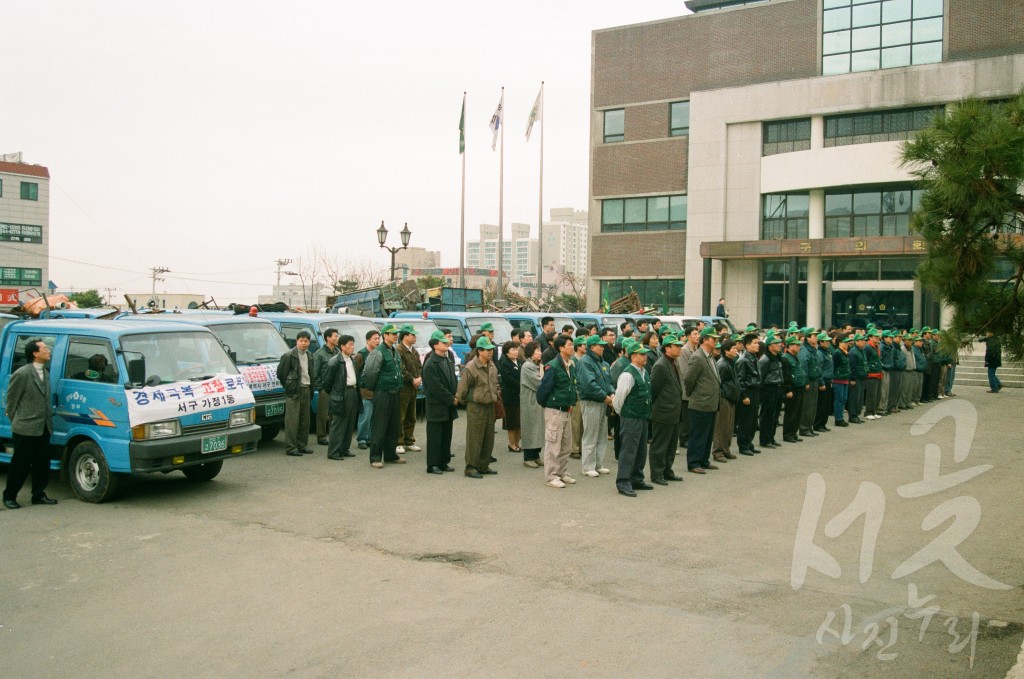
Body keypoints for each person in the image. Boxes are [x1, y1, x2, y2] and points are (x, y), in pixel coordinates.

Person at [3, 339, 57, 509]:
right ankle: (10, 496)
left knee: (42, 464)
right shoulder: (22, 373)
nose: (48, 350)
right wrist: (19, 421)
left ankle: (38, 494)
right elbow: (11, 402)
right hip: (25, 428)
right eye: (44, 348)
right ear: (35, 353)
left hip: (43, 427)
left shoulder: (45, 373)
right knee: (20, 464)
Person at [361, 324, 406, 469]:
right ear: (385, 336)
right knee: (379, 425)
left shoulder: (395, 351)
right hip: (383, 393)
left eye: (396, 334)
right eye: (392, 334)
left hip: (395, 392)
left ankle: (390, 454)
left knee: (393, 425)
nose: (395, 336)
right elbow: (369, 374)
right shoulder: (378, 352)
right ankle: (375, 457)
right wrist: (377, 389)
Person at [613, 343, 653, 497]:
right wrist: (623, 414)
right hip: (631, 417)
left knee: (641, 450)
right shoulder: (628, 375)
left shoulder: (644, 372)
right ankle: (623, 481)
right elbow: (619, 399)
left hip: (642, 416)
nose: (645, 357)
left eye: (645, 354)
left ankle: (637, 478)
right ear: (633, 356)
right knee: (628, 450)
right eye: (641, 354)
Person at [455, 336, 499, 478]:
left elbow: (495, 383)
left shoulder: (492, 365)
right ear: (479, 351)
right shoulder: (471, 367)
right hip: (476, 406)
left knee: (488, 437)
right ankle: (471, 467)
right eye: (487, 350)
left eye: (491, 349)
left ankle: (483, 465)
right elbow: (462, 389)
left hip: (490, 405)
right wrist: (465, 401)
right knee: (475, 438)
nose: (490, 352)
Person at [540, 335, 578, 488]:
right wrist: (548, 405)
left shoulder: (571, 365)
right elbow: (543, 389)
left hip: (567, 409)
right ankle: (551, 476)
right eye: (570, 344)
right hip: (555, 410)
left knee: (566, 445)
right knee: (553, 444)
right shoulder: (553, 366)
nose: (572, 347)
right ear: (561, 348)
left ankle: (562, 472)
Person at [576, 334, 614, 478]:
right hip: (592, 401)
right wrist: (605, 397)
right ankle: (587, 466)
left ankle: (598, 464)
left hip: (603, 401)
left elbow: (608, 381)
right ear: (592, 347)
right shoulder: (585, 362)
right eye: (600, 345)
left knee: (601, 435)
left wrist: (612, 393)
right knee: (591, 434)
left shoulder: (603, 363)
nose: (602, 347)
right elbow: (589, 384)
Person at [684, 327, 722, 474]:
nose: (716, 341)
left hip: (711, 402)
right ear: (705, 340)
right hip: (700, 402)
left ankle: (704, 460)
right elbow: (688, 379)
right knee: (698, 435)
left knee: (707, 435)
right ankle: (694, 462)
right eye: (713, 339)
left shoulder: (710, 356)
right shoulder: (697, 357)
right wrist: (694, 394)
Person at [649, 334, 685, 483]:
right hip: (663, 411)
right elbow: (654, 390)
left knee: (671, 444)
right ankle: (657, 474)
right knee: (660, 445)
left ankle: (667, 470)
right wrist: (661, 405)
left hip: (674, 411)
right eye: (676, 346)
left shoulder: (674, 363)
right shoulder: (660, 365)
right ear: (667, 348)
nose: (679, 349)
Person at [422, 331, 458, 474]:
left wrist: (456, 394)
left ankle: (444, 461)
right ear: (435, 345)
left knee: (446, 435)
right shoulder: (431, 363)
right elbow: (435, 387)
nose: (447, 344)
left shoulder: (447, 359)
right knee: (435, 436)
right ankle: (432, 464)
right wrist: (451, 399)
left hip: (448, 405)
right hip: (437, 405)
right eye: (443, 342)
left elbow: (453, 379)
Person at [277, 330, 316, 456]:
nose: (303, 344)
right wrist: (290, 385)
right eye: (301, 341)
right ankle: (291, 447)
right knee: (292, 420)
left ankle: (302, 445)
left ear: (309, 342)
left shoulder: (310, 355)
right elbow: (281, 374)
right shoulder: (289, 355)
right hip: (294, 390)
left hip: (306, 388)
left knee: (305, 420)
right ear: (296, 341)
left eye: (306, 341)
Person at [322, 334, 361, 460]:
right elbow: (327, 382)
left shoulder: (352, 360)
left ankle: (345, 448)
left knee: (350, 422)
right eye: (350, 345)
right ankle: (333, 451)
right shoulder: (334, 361)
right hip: (340, 394)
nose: (352, 347)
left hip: (353, 392)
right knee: (338, 423)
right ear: (342, 346)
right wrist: (335, 394)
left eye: (353, 344)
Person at [395, 324, 423, 454]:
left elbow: (419, 366)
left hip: (413, 387)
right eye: (413, 335)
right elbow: (401, 369)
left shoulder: (414, 351)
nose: (415, 337)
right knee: (400, 415)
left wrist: (419, 378)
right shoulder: (399, 350)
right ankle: (398, 442)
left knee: (411, 415)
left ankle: (409, 441)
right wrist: (412, 379)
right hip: (403, 387)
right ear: (405, 336)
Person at [713, 337, 741, 463]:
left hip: (731, 397)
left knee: (729, 426)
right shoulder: (722, 364)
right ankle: (718, 452)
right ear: (726, 351)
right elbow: (718, 383)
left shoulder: (731, 361)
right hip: (724, 398)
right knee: (721, 426)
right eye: (733, 348)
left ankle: (726, 449)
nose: (736, 351)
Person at [734, 333, 762, 456]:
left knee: (753, 420)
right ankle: (743, 445)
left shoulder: (754, 357)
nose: (758, 345)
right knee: (745, 420)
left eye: (758, 343)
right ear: (747, 345)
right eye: (755, 343)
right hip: (748, 392)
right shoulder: (743, 360)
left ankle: (749, 443)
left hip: (755, 390)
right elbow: (740, 380)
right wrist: (744, 396)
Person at [519, 341, 545, 468]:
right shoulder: (527, 366)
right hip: (530, 401)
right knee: (530, 429)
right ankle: (528, 457)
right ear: (531, 352)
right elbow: (539, 382)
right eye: (538, 350)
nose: (540, 353)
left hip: (537, 402)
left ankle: (536, 455)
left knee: (538, 429)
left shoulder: (537, 365)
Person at [312, 328, 340, 446]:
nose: (337, 338)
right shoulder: (319, 354)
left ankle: (333, 435)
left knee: (335, 413)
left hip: (336, 387)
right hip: (325, 388)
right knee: (323, 414)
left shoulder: (338, 352)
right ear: (328, 338)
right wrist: (321, 387)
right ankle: (321, 436)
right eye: (335, 336)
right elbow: (315, 372)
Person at [354, 330, 380, 450]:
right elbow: (356, 373)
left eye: (378, 338)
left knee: (374, 417)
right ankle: (362, 438)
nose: (377, 341)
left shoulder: (379, 353)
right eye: (375, 339)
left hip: (377, 391)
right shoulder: (361, 355)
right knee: (365, 416)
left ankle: (370, 438)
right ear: (368, 340)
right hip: (365, 392)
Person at [758, 333, 784, 448]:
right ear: (769, 346)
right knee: (767, 415)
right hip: (768, 389)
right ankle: (765, 440)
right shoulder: (765, 359)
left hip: (777, 388)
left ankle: (771, 437)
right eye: (776, 344)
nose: (779, 346)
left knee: (775, 415)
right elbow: (761, 376)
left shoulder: (777, 357)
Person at [497, 341, 522, 452]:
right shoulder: (504, 364)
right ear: (506, 353)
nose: (515, 352)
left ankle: (517, 443)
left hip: (521, 396)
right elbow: (509, 380)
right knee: (512, 422)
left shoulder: (520, 362)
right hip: (510, 396)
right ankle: (511, 444)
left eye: (516, 349)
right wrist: (522, 385)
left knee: (519, 421)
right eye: (513, 350)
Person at [781, 336, 806, 443]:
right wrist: (788, 390)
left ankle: (794, 432)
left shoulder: (795, 357)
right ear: (790, 346)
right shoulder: (786, 358)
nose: (799, 347)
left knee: (798, 412)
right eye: (796, 345)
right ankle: (788, 434)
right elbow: (786, 376)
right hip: (793, 389)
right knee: (791, 413)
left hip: (800, 387)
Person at [798, 329, 821, 438]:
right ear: (808, 338)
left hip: (814, 379)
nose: (816, 337)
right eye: (814, 335)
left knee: (813, 405)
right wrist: (806, 381)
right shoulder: (805, 350)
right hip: (809, 381)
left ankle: (809, 426)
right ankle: (804, 428)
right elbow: (803, 367)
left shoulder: (813, 349)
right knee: (807, 405)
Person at [831, 334, 852, 427]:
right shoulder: (837, 353)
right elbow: (834, 367)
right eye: (845, 342)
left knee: (844, 399)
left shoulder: (845, 352)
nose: (847, 344)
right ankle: (838, 419)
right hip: (838, 379)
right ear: (839, 343)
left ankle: (841, 418)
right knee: (839, 400)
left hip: (845, 378)